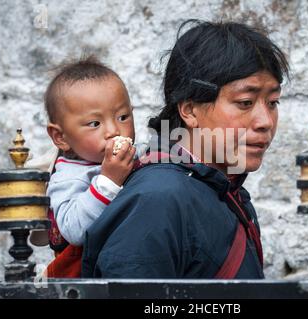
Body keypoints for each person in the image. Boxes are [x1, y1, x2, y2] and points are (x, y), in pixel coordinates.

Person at [82, 20, 289, 279]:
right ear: (190, 110)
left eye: (273, 102)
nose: (266, 122)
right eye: (245, 102)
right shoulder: (158, 198)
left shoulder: (226, 191)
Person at [38, 56, 137, 277]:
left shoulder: (130, 154)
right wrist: (108, 182)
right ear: (60, 136)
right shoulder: (68, 176)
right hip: (83, 279)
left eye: (123, 117)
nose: (113, 130)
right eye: (95, 123)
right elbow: (73, 230)